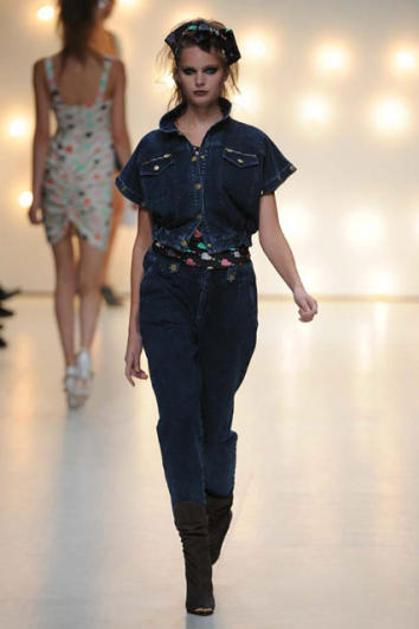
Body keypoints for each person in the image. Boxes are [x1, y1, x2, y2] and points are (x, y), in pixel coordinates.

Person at [116, 18, 318, 616]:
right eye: (189, 70)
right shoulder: (153, 150)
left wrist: (298, 286)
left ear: (226, 72)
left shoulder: (252, 145)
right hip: (167, 292)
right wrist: (133, 328)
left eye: (209, 70)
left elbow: (270, 231)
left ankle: (214, 519)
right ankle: (195, 561)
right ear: (175, 73)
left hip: (231, 294)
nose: (199, 80)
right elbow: (142, 242)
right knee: (177, 420)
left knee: (214, 421)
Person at [28, 0, 131, 408]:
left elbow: (41, 135)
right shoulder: (112, 70)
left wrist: (35, 193)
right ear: (94, 19)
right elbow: (119, 135)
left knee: (64, 279)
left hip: (58, 176)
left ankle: (70, 364)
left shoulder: (45, 69)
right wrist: (136, 186)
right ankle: (85, 356)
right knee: (90, 282)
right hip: (97, 179)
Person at [90, 0, 127, 307]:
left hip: (109, 133)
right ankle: (90, 278)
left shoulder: (112, 39)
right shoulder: (80, 39)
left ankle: (99, 277)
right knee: (89, 209)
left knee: (114, 205)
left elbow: (116, 96)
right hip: (86, 135)